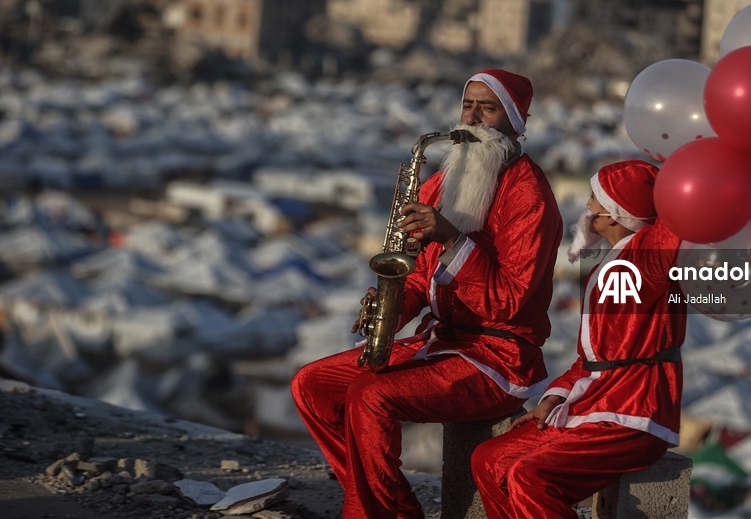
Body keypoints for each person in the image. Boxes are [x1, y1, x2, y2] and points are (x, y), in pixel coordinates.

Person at [291, 69, 563, 519]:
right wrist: (393, 311)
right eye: (467, 105)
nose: (471, 118)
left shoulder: (529, 196)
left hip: (498, 358)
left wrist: (454, 240)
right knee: (312, 385)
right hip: (440, 343)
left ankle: (370, 511)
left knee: (370, 396)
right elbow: (419, 275)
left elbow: (511, 301)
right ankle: (390, 507)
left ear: (514, 121)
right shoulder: (445, 178)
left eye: (487, 108)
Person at [470, 160, 686, 519]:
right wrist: (553, 397)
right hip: (595, 402)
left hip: (633, 412)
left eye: (594, 200)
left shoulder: (647, 255)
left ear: (616, 215)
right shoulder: (606, 264)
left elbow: (679, 223)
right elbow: (591, 360)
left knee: (530, 477)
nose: (587, 208)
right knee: (489, 459)